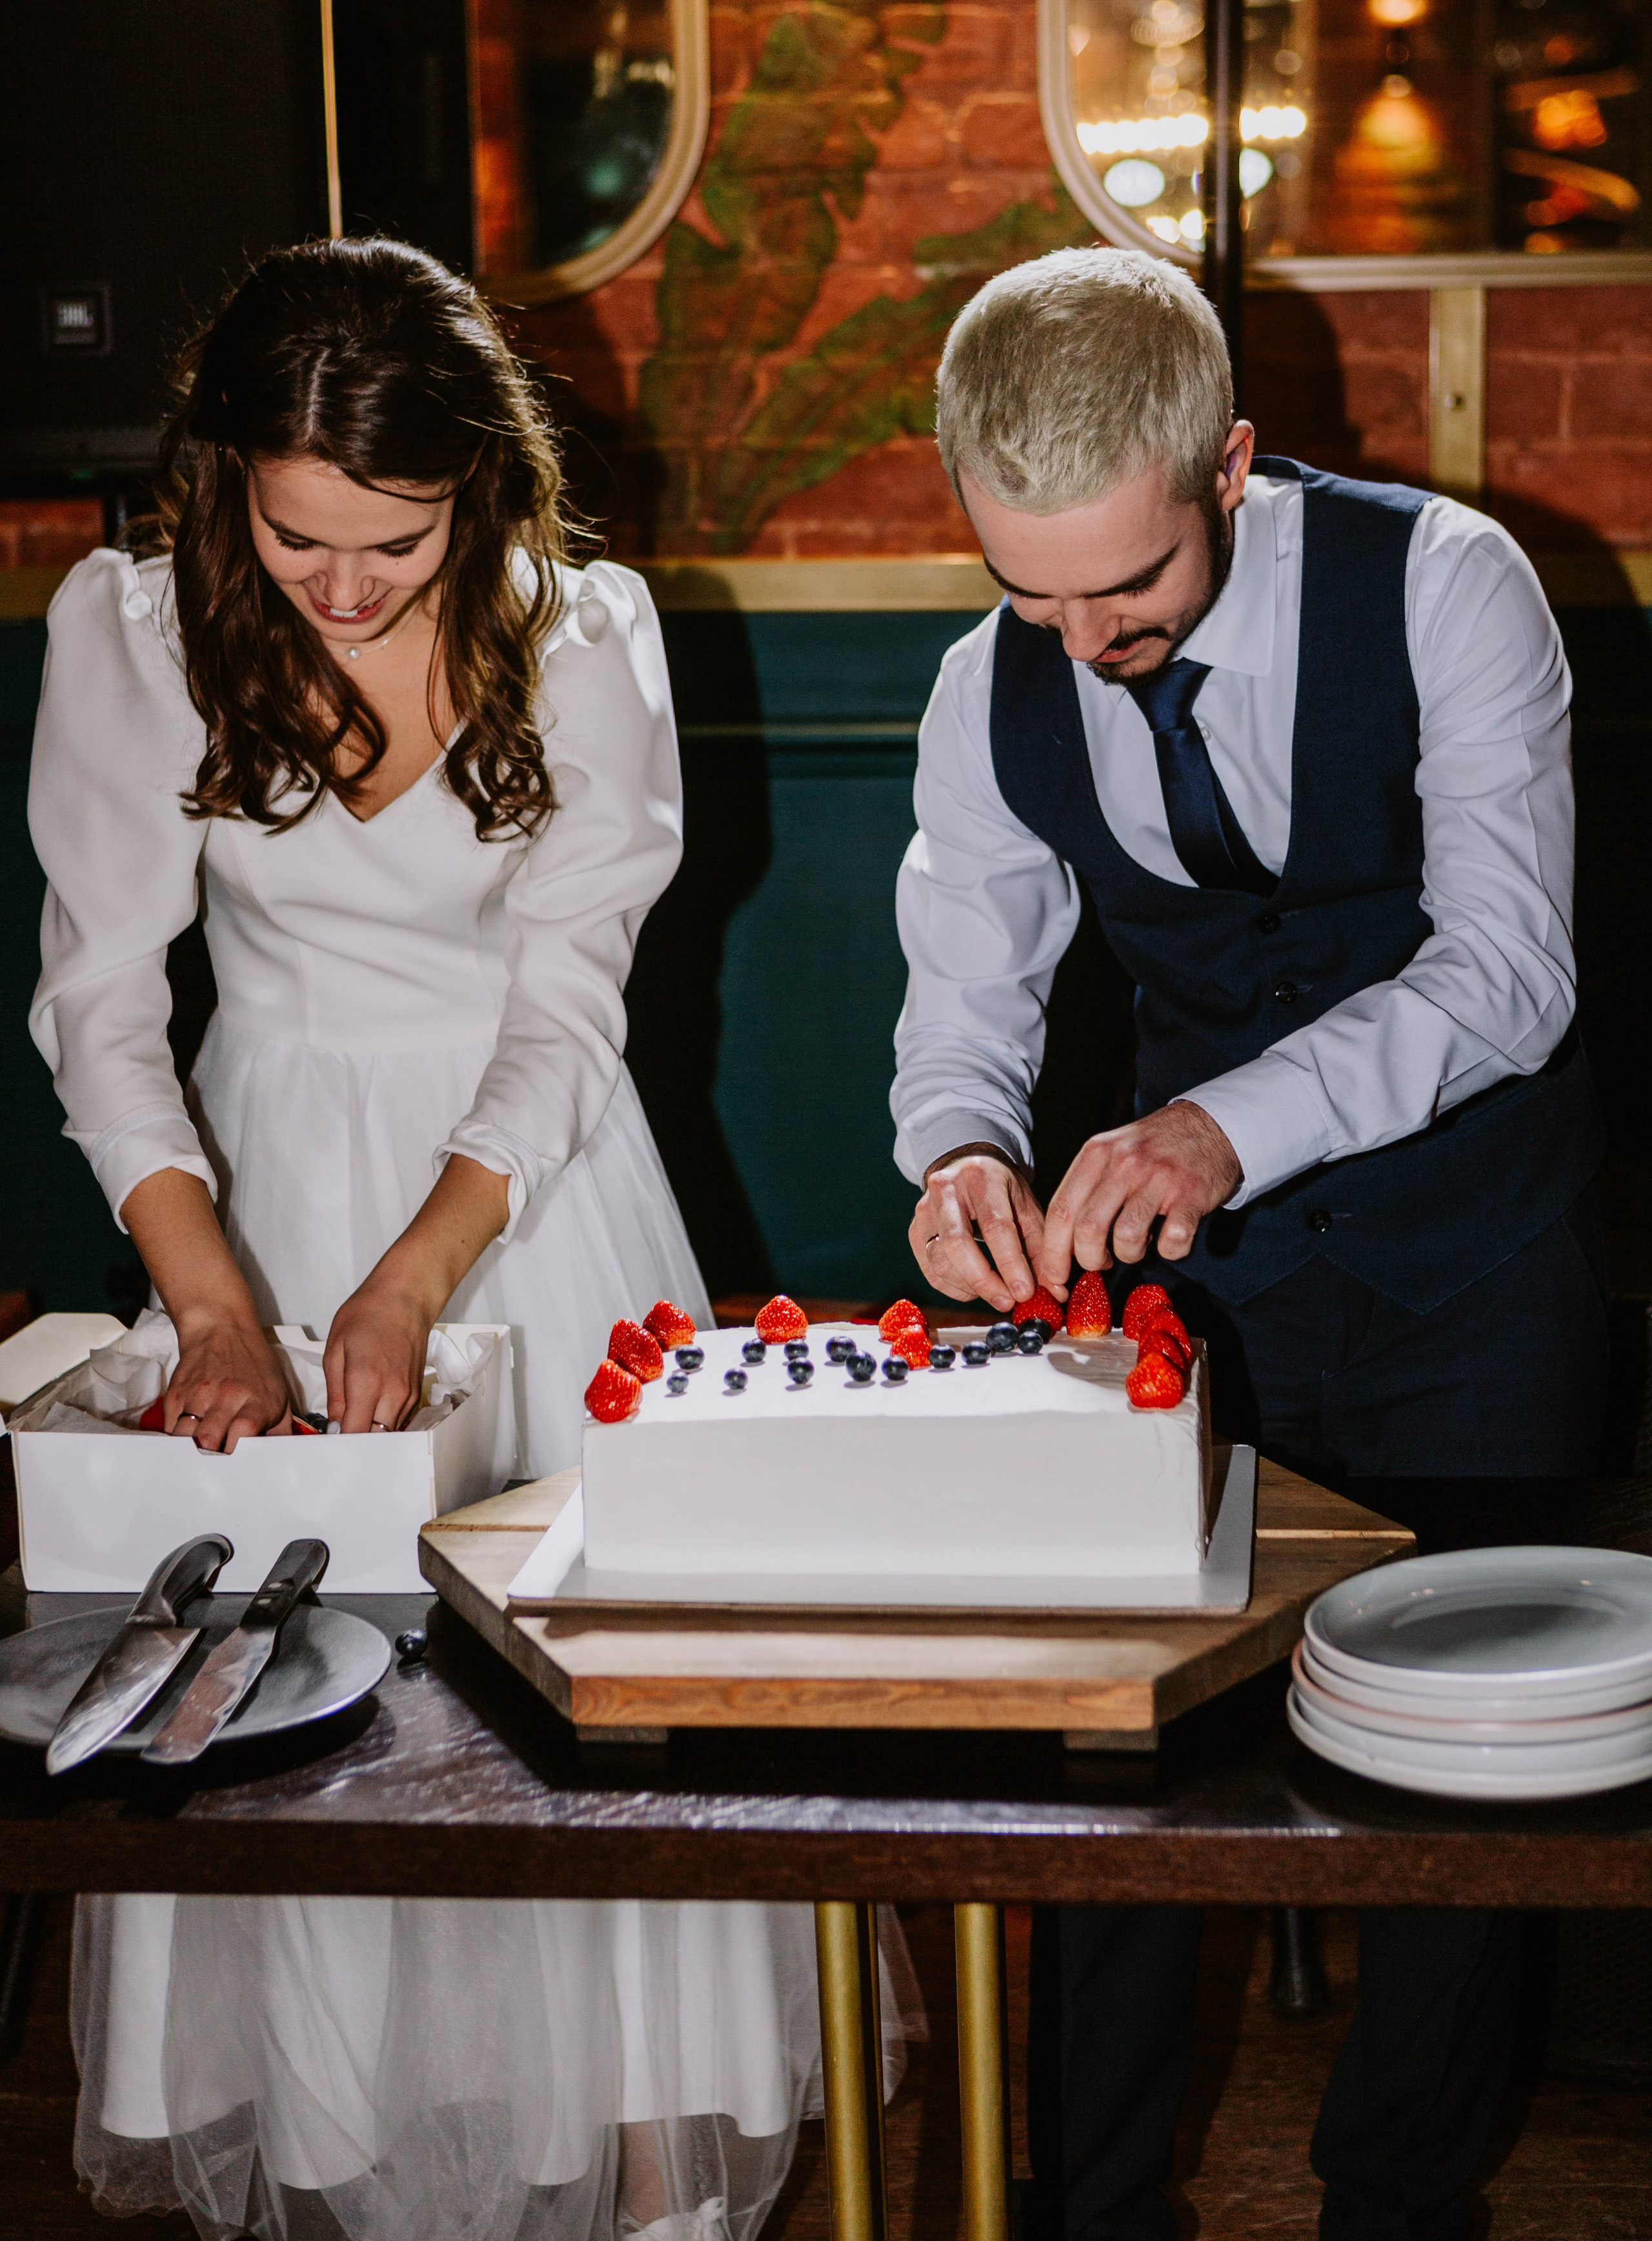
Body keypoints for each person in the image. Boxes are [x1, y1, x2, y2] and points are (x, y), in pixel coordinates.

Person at [28, 238, 864, 2241]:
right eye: (296, 532)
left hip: (537, 1195)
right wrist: (211, 1299)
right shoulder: (131, 632)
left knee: (577, 1729)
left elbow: (573, 1012)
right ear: (225, 478)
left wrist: (417, 1276)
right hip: (254, 1182)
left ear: (476, 489)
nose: (339, 585)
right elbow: (102, 1003)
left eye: (389, 541)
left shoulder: (589, 640)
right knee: (296, 1737)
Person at [892, 249, 1606, 2241]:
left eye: (1130, 589)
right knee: (1128, 1744)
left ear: (1231, 462)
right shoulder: (993, 683)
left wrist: (1223, 1122)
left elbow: (1511, 970)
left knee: (1469, 1779)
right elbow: (966, 991)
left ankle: (1401, 2203)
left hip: (1481, 1260)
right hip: (1193, 1296)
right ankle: (1094, 2202)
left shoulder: (1451, 583)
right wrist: (952, 1147)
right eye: (1033, 594)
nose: (1085, 637)